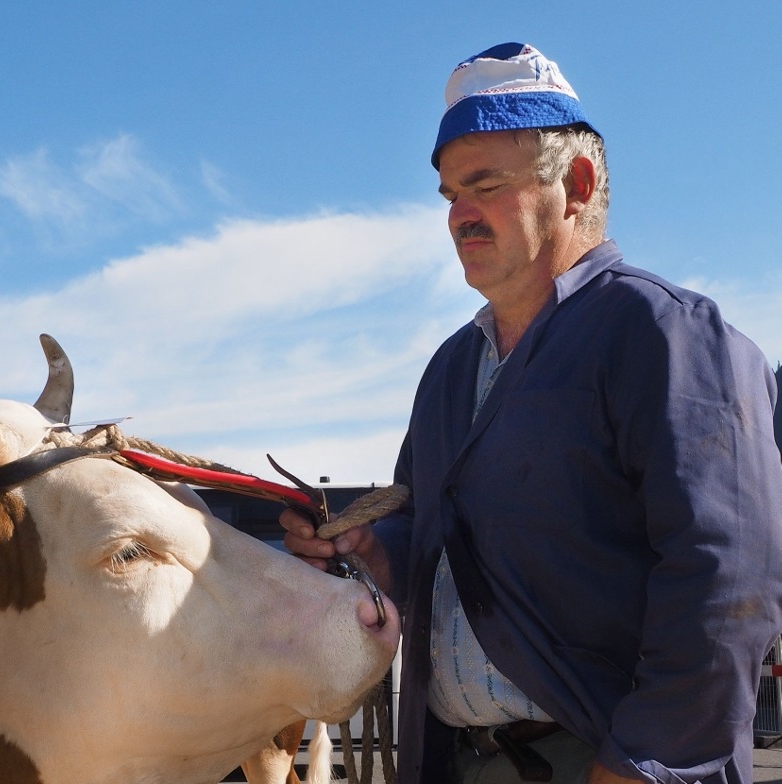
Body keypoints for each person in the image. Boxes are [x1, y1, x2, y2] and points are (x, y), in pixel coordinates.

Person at [282, 42, 782, 784]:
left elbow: (730, 581)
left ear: (576, 183)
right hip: (461, 761)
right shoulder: (451, 371)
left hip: (605, 761)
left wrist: (642, 765)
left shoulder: (668, 335)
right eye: (450, 195)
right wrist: (370, 550)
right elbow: (427, 536)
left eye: (484, 185)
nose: (460, 216)